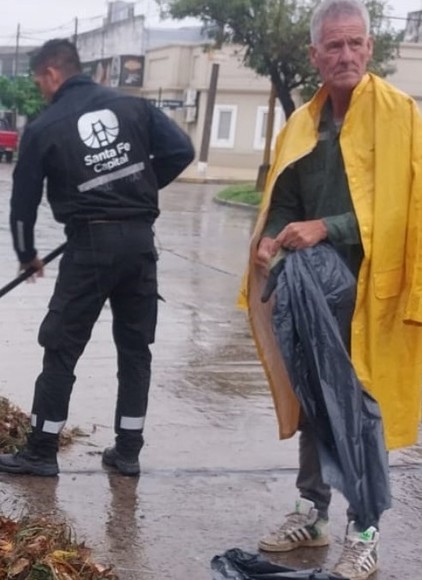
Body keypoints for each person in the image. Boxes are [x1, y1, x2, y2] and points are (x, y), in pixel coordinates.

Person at [240, 1, 422, 578]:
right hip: (311, 287)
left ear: (370, 48)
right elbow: (286, 203)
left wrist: (329, 227)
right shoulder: (302, 125)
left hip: (375, 289)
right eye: (333, 46)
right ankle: (313, 512)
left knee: (358, 405)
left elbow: (404, 212)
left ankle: (364, 530)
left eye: (355, 44)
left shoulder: (401, 118)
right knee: (315, 399)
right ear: (315, 55)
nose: (345, 55)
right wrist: (270, 238)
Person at [0, 38, 195, 478]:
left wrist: (27, 255)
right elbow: (183, 151)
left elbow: (22, 204)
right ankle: (128, 452)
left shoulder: (45, 127)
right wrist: (136, 190)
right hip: (140, 243)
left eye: (38, 80)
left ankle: (42, 450)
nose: (40, 88)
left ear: (51, 73)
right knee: (135, 347)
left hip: (89, 247)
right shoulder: (134, 107)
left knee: (61, 346)